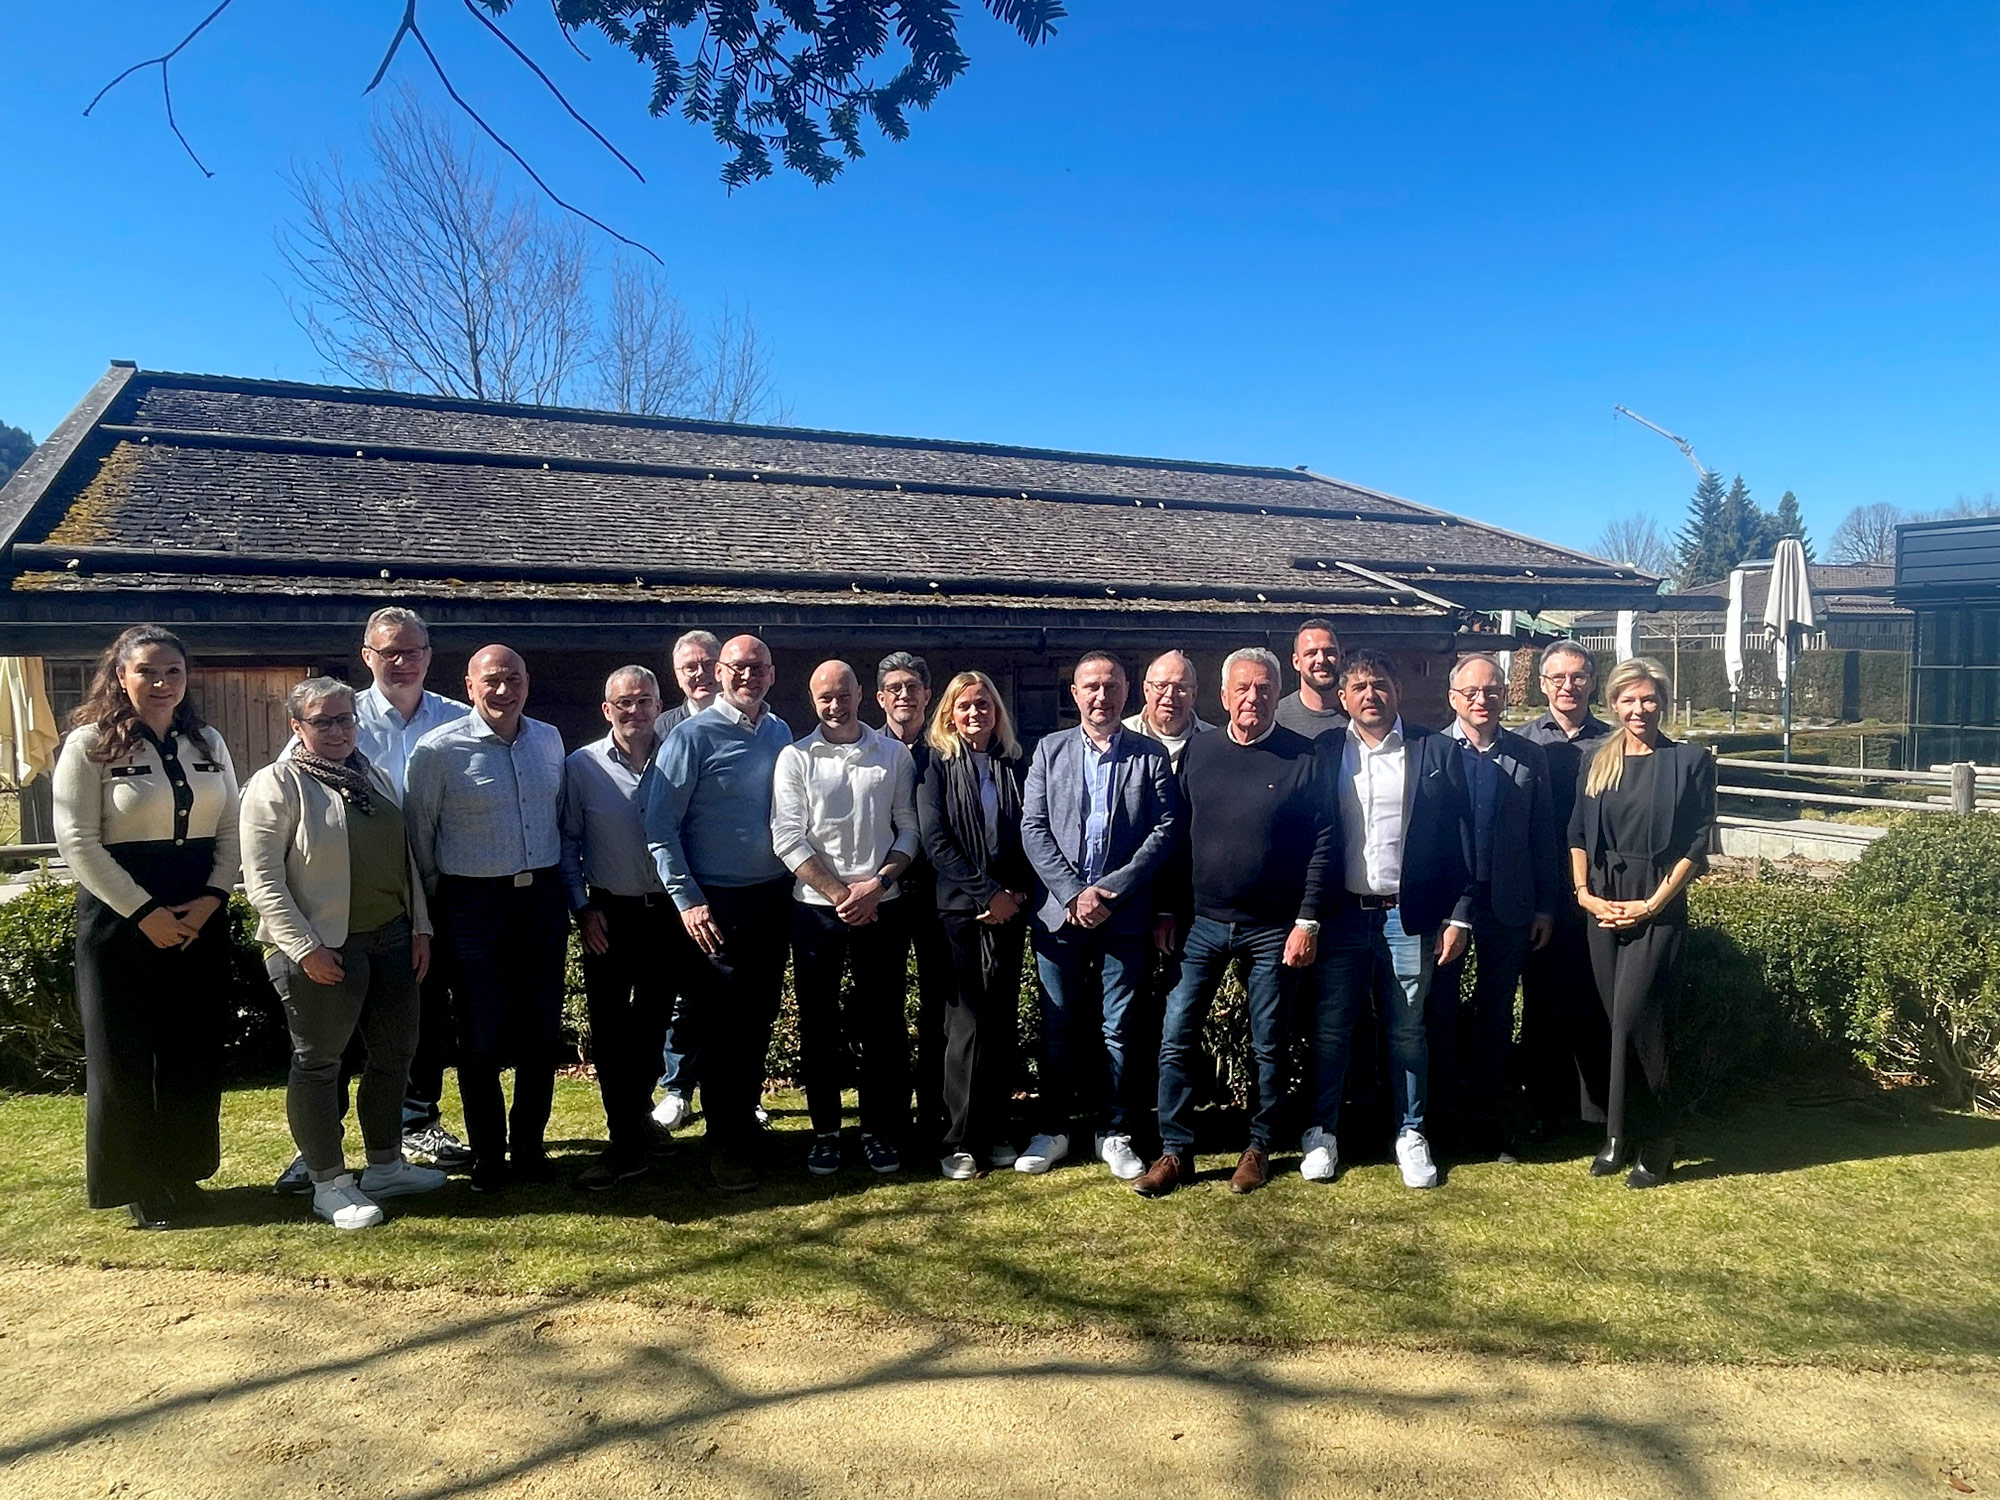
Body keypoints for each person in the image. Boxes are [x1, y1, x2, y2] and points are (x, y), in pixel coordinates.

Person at [273, 606, 472, 1192]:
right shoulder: (337, 717)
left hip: (422, 899)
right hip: (334, 911)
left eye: (414, 650)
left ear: (429, 656)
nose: (403, 661)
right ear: (368, 657)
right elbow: (278, 833)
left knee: (415, 1027)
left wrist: (424, 916)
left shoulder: (458, 720)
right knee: (327, 1043)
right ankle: (317, 1149)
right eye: (390, 652)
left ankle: (416, 1125)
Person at [240, 678, 447, 1229]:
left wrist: (420, 927)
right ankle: (328, 1183)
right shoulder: (277, 783)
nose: (337, 730)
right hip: (322, 948)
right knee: (318, 1063)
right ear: (297, 727)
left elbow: (404, 858)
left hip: (392, 939)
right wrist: (305, 948)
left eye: (345, 719)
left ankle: (385, 1166)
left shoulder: (370, 775)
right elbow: (262, 881)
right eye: (322, 721)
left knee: (394, 1056)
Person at [52, 625, 241, 1230]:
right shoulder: (89, 745)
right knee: (124, 1054)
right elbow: (78, 842)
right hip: (119, 919)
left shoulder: (207, 740)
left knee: (191, 1049)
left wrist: (212, 899)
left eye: (173, 672)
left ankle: (183, 1173)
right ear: (120, 676)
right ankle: (139, 1184)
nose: (162, 684)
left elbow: (231, 828)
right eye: (147, 672)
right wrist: (144, 913)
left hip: (200, 913)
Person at [1135, 647, 1339, 1200]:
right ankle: (1175, 1151)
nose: (1253, 698)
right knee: (1176, 1036)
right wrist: (1166, 909)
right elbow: (1176, 839)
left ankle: (1259, 1147)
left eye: (1264, 688)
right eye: (1243, 688)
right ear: (1223, 696)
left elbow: (1324, 842)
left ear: (1277, 694)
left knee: (1269, 1042)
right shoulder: (1198, 752)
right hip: (1201, 923)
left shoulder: (1304, 756)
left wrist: (1308, 920)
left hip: (1274, 926)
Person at [1304, 650, 1473, 1191]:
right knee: (1331, 1029)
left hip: (1409, 917)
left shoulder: (1435, 750)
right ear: (1342, 698)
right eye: (1358, 687)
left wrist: (1459, 915)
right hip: (1342, 917)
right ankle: (1321, 1132)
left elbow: (1462, 839)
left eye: (1379, 684)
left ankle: (1411, 1133)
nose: (1370, 695)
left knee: (1406, 1031)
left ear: (1397, 690)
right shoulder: (1326, 750)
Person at [403, 645, 568, 1194]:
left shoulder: (549, 739)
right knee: (480, 1036)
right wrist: (436, 909)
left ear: (528, 682)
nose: (504, 690)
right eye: (492, 680)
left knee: (541, 1033)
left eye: (514, 679)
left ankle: (530, 1148)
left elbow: (558, 817)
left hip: (540, 899)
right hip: (472, 905)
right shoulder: (437, 750)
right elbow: (420, 840)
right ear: (470, 686)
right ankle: (489, 1155)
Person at [1021, 652, 1182, 1180]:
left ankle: (1114, 1131)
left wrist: (1108, 892)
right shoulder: (1049, 750)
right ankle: (1053, 1129)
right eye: (1090, 686)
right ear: (1074, 694)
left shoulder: (1150, 755)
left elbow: (1164, 830)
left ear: (1126, 691)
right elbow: (1033, 827)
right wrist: (1073, 894)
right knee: (1058, 1026)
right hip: (1060, 916)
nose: (1101, 696)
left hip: (1123, 916)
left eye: (1111, 686)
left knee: (1119, 1029)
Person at [645, 634, 792, 1192]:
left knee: (758, 1017)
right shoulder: (690, 736)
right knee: (723, 1025)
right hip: (715, 904)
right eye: (737, 667)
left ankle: (743, 1124)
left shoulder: (778, 732)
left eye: (758, 667)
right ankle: (726, 1145)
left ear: (771, 673)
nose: (747, 676)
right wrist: (688, 900)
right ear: (720, 672)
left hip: (771, 898)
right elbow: (659, 826)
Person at [1569, 657, 1716, 1189]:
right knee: (1613, 1023)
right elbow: (1577, 834)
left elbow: (1696, 845)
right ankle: (1617, 1132)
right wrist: (1584, 895)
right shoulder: (1596, 759)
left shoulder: (1690, 761)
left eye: (1649, 699)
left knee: (1640, 1022)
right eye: (1628, 699)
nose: (1639, 709)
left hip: (1657, 904)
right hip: (1602, 904)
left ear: (1663, 703)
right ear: (1613, 704)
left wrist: (1653, 904)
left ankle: (1660, 1138)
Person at [771, 660, 920, 1176]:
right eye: (824, 698)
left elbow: (908, 829)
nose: (835, 705)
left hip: (882, 907)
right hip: (817, 912)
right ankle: (826, 1132)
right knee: (819, 1025)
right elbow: (787, 837)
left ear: (861, 693)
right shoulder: (795, 757)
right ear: (813, 700)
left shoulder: (894, 755)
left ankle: (877, 1129)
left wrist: (876, 887)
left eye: (843, 694)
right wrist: (840, 894)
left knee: (882, 1022)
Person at [1429, 653, 1561, 1161]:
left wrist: (1545, 907)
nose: (1482, 700)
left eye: (1492, 691)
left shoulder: (1529, 756)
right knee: (1440, 1012)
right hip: (1447, 908)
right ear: (1453, 698)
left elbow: (1542, 835)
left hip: (1510, 905)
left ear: (1505, 695)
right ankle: (1443, 1119)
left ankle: (1485, 1119)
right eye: (1471, 692)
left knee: (1495, 1014)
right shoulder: (1432, 751)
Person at [560, 665, 684, 1190]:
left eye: (644, 700)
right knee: (611, 1032)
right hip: (608, 916)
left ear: (660, 705)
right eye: (624, 703)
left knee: (653, 1027)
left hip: (669, 915)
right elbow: (568, 842)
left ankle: (634, 1125)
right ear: (607, 710)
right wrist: (582, 909)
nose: (635, 710)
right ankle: (624, 1140)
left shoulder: (680, 759)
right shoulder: (582, 765)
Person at [916, 671, 1033, 1181]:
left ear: (996, 711)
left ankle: (996, 1129)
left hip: (1008, 909)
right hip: (958, 912)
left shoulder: (1014, 763)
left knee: (1001, 1019)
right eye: (964, 705)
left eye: (983, 704)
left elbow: (1030, 831)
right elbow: (935, 840)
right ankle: (957, 1139)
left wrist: (1016, 894)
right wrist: (987, 893)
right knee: (964, 1024)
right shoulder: (935, 764)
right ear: (949, 713)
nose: (974, 713)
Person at [1517, 641, 1614, 1137]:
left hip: (1600, 889)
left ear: (1593, 682)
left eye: (1577, 677)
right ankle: (1543, 1108)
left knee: (1595, 999)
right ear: (1542, 684)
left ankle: (1596, 1111)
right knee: (1542, 1002)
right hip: (1541, 890)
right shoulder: (1523, 742)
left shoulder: (1615, 742)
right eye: (1557, 678)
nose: (1567, 686)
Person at [876, 650, 954, 1153]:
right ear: (881, 698)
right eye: (894, 688)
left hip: (937, 898)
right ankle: (888, 1116)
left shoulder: (947, 751)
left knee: (938, 1008)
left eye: (912, 687)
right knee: (883, 1008)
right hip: (882, 896)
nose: (904, 695)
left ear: (928, 694)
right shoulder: (865, 749)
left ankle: (935, 1110)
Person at [652, 629, 722, 1129]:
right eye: (689, 667)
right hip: (678, 886)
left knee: (732, 996)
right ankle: (677, 1088)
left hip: (733, 884)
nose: (700, 674)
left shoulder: (755, 724)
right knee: (682, 996)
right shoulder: (662, 730)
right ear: (677, 676)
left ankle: (737, 1089)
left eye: (707, 664)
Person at [1122, 650, 1216, 773]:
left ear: (1193, 695)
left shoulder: (1214, 742)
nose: (1170, 694)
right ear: (1146, 690)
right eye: (1161, 686)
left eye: (1180, 687)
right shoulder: (1122, 735)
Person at [1274, 619, 1348, 739]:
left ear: (1342, 657)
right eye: (1311, 653)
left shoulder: (1360, 714)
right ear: (1296, 662)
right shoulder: (1276, 719)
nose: (1321, 660)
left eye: (1329, 652)